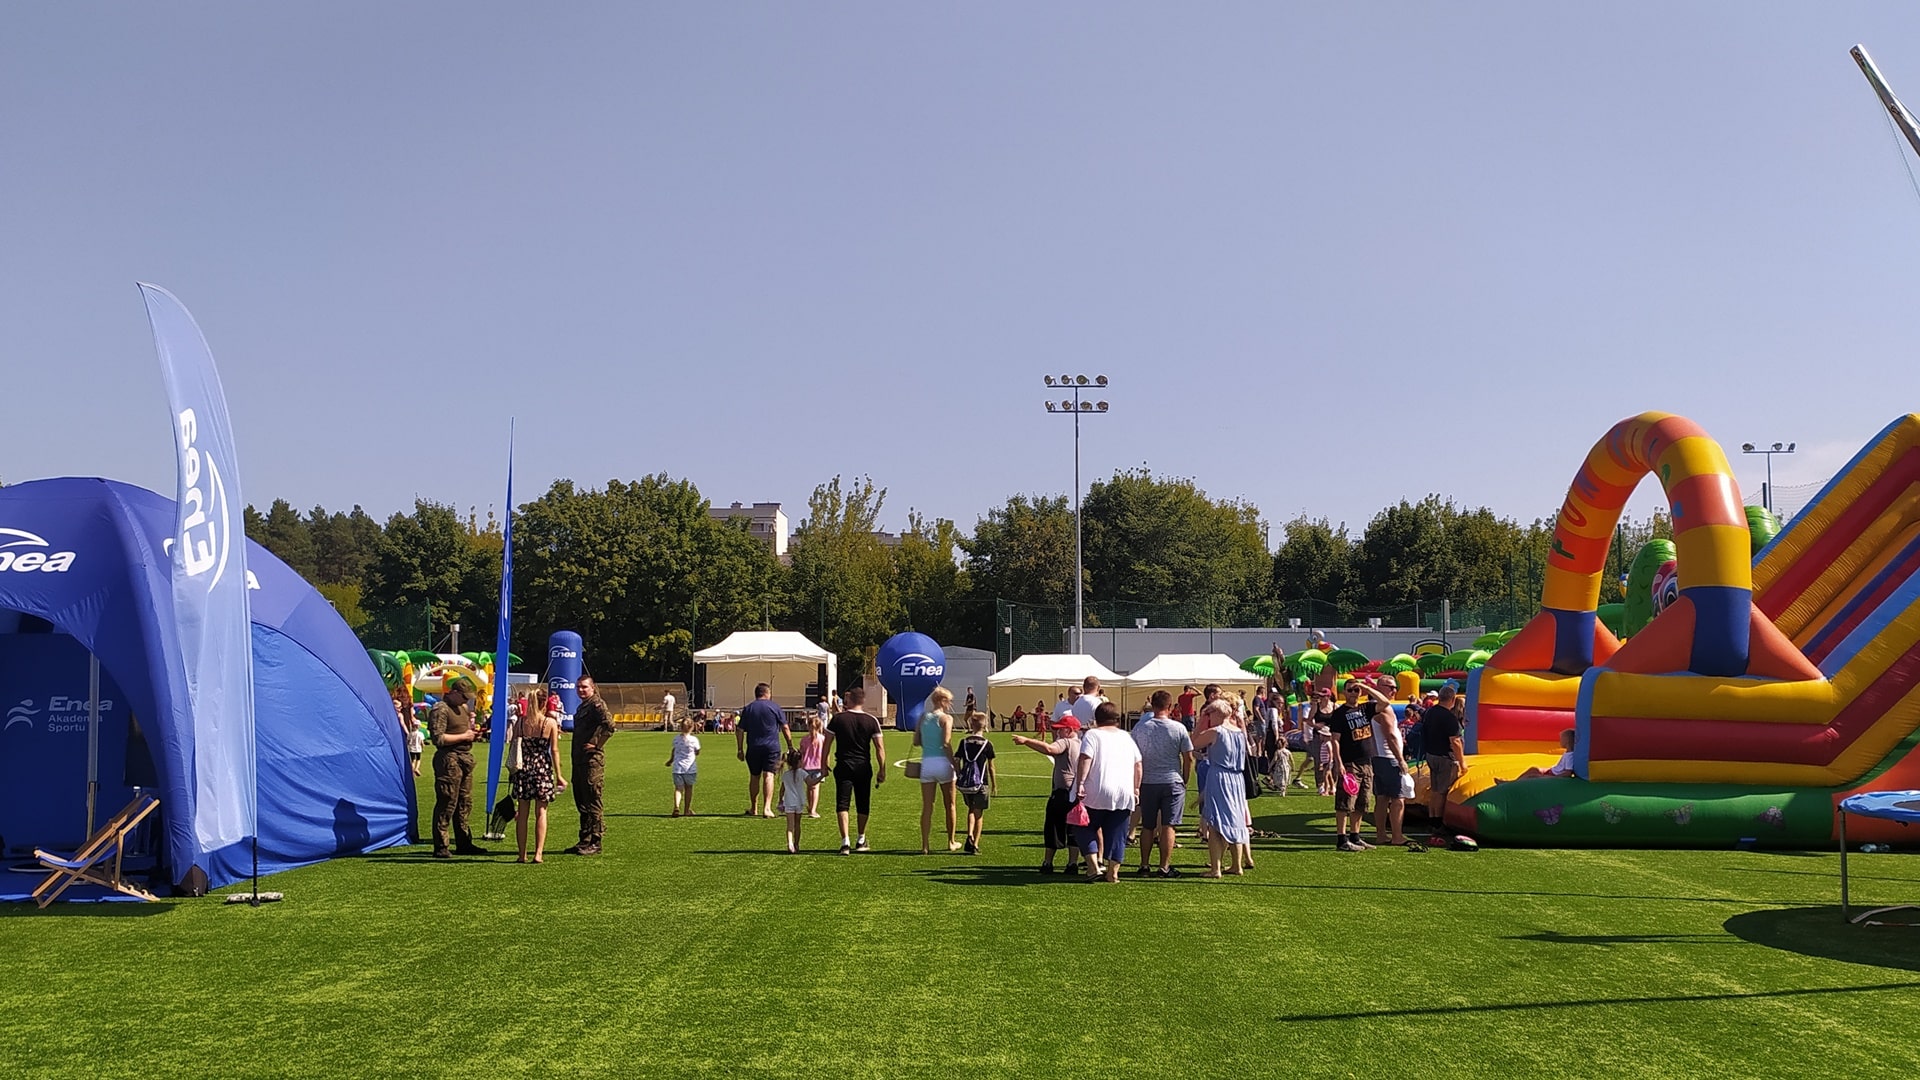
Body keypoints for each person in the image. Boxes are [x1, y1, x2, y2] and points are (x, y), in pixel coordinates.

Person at [1072, 701, 1142, 884]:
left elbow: (1085, 758)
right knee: (1118, 833)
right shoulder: (1126, 737)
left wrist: (1080, 783)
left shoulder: (1093, 735)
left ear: (1097, 719)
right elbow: (1138, 765)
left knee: (1083, 826)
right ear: (1117, 719)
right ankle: (1113, 873)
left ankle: (1093, 865)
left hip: (1096, 790)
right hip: (1123, 792)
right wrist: (1136, 787)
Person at [1321, 678, 1391, 852]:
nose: (1353, 693)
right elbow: (1335, 740)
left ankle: (1355, 836)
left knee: (1362, 802)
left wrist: (1366, 687)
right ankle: (1341, 839)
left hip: (1366, 761)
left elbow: (1385, 702)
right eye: (1350, 690)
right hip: (1350, 762)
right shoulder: (1339, 713)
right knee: (1345, 802)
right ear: (1344, 692)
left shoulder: (1365, 708)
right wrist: (1339, 763)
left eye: (1356, 690)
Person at [1130, 689, 1193, 878]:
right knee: (1169, 825)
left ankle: (1144, 865)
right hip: (1172, 780)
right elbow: (1188, 757)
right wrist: (1185, 779)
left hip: (1147, 782)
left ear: (1152, 705)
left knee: (1147, 826)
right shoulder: (1178, 728)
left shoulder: (1140, 728)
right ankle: (1164, 867)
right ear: (1169, 706)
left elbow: (1133, 757)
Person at [1012, 715, 1082, 874]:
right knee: (1073, 829)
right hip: (1075, 793)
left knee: (1053, 827)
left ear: (1068, 730)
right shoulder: (1081, 744)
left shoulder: (1066, 741)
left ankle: (1048, 862)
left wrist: (1027, 741)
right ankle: (1072, 863)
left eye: (1059, 729)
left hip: (1062, 793)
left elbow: (1050, 749)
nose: (1056, 733)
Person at [427, 677, 488, 858]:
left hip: (464, 758)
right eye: (463, 696)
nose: (465, 700)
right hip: (449, 759)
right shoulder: (441, 709)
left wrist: (470, 736)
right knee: (447, 801)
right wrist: (464, 737)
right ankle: (441, 845)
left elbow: (462, 733)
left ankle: (463, 841)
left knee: (464, 803)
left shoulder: (462, 708)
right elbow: (438, 739)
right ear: (453, 693)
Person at [822, 686, 886, 854]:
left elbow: (826, 743)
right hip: (863, 766)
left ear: (849, 700)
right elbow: (879, 748)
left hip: (843, 765)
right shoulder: (872, 720)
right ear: (863, 701)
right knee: (863, 803)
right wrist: (882, 768)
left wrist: (823, 763)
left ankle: (845, 842)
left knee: (842, 803)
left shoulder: (838, 719)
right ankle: (861, 838)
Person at [1191, 698, 1252, 876]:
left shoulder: (1215, 732)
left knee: (1216, 823)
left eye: (1209, 714)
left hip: (1219, 777)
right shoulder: (1240, 732)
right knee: (1236, 820)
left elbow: (1193, 743)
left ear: (1217, 714)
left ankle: (1215, 868)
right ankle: (1236, 865)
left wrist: (1200, 721)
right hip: (1237, 779)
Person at [511, 690, 567, 863]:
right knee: (541, 812)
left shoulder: (520, 722)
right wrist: (559, 775)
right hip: (542, 768)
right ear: (544, 703)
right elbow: (555, 750)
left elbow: (514, 748)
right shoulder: (549, 723)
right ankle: (538, 853)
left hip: (523, 769)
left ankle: (522, 854)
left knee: (522, 813)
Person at [567, 675, 614, 856]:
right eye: (578, 687)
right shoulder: (582, 707)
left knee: (593, 800)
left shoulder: (597, 705)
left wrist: (597, 745)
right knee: (582, 802)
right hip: (579, 761)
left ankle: (596, 840)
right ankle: (584, 839)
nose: (581, 690)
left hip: (591, 761)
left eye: (584, 687)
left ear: (593, 687)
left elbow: (610, 726)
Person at [737, 683, 793, 818]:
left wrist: (739, 749)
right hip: (772, 747)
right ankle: (767, 808)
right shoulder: (774, 707)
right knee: (769, 775)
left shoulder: (748, 708)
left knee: (754, 776)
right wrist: (790, 745)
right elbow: (784, 727)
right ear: (767, 693)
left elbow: (739, 730)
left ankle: (754, 807)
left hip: (753, 747)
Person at [916, 687, 959, 854]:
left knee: (927, 806)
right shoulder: (946, 718)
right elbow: (946, 743)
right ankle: (951, 841)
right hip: (943, 763)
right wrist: (955, 765)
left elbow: (916, 741)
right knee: (950, 805)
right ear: (943, 701)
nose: (950, 704)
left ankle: (925, 845)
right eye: (949, 701)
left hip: (927, 763)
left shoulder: (922, 717)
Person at [1422, 684, 1467, 845]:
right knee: (1441, 791)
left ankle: (1433, 819)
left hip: (1431, 754)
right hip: (1444, 757)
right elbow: (1455, 741)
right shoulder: (1449, 717)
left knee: (1435, 790)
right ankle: (1439, 822)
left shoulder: (1430, 712)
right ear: (1453, 699)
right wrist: (1462, 763)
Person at [1370, 692, 1413, 847]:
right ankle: (1397, 836)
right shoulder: (1384, 711)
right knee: (1398, 799)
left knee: (1381, 798)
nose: (1394, 691)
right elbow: (1390, 736)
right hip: (1389, 758)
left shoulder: (1372, 710)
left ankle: (1381, 834)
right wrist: (1401, 759)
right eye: (1391, 687)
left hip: (1379, 758)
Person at [954, 712, 997, 855]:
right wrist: (994, 784)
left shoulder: (964, 742)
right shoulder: (987, 744)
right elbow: (991, 766)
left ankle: (969, 834)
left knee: (971, 809)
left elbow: (956, 760)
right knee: (979, 812)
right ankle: (975, 843)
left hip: (967, 782)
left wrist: (960, 773)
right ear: (985, 726)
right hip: (981, 782)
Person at [1509, 728, 1578, 781]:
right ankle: (1513, 782)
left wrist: (1553, 778)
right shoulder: (1567, 753)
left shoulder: (1570, 756)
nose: (1560, 741)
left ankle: (1512, 785)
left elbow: (1568, 773)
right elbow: (1559, 768)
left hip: (1554, 775)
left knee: (1532, 776)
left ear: (1567, 741)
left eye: (1561, 739)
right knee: (1533, 769)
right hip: (1552, 771)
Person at [667, 716, 701, 817]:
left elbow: (674, 751)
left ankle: (676, 806)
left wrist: (670, 761)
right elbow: (698, 751)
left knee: (678, 789)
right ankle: (687, 810)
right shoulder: (694, 740)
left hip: (677, 767)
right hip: (690, 768)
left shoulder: (676, 739)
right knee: (689, 788)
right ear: (692, 727)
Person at [779, 749, 808, 854]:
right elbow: (811, 783)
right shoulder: (802, 773)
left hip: (789, 802)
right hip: (799, 802)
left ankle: (790, 844)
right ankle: (796, 844)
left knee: (790, 825)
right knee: (797, 824)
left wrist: (780, 801)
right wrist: (822, 775)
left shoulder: (785, 775)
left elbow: (782, 790)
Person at [798, 713, 827, 818]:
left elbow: (801, 753)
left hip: (807, 766)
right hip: (817, 766)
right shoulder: (823, 739)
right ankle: (813, 809)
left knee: (810, 787)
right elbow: (825, 753)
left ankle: (811, 807)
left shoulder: (804, 739)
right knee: (814, 788)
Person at [398, 694, 423, 777]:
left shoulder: (409, 706)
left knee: (411, 756)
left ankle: (412, 769)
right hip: (405, 730)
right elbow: (403, 723)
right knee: (415, 757)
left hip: (408, 729)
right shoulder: (400, 711)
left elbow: (412, 717)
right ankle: (413, 769)